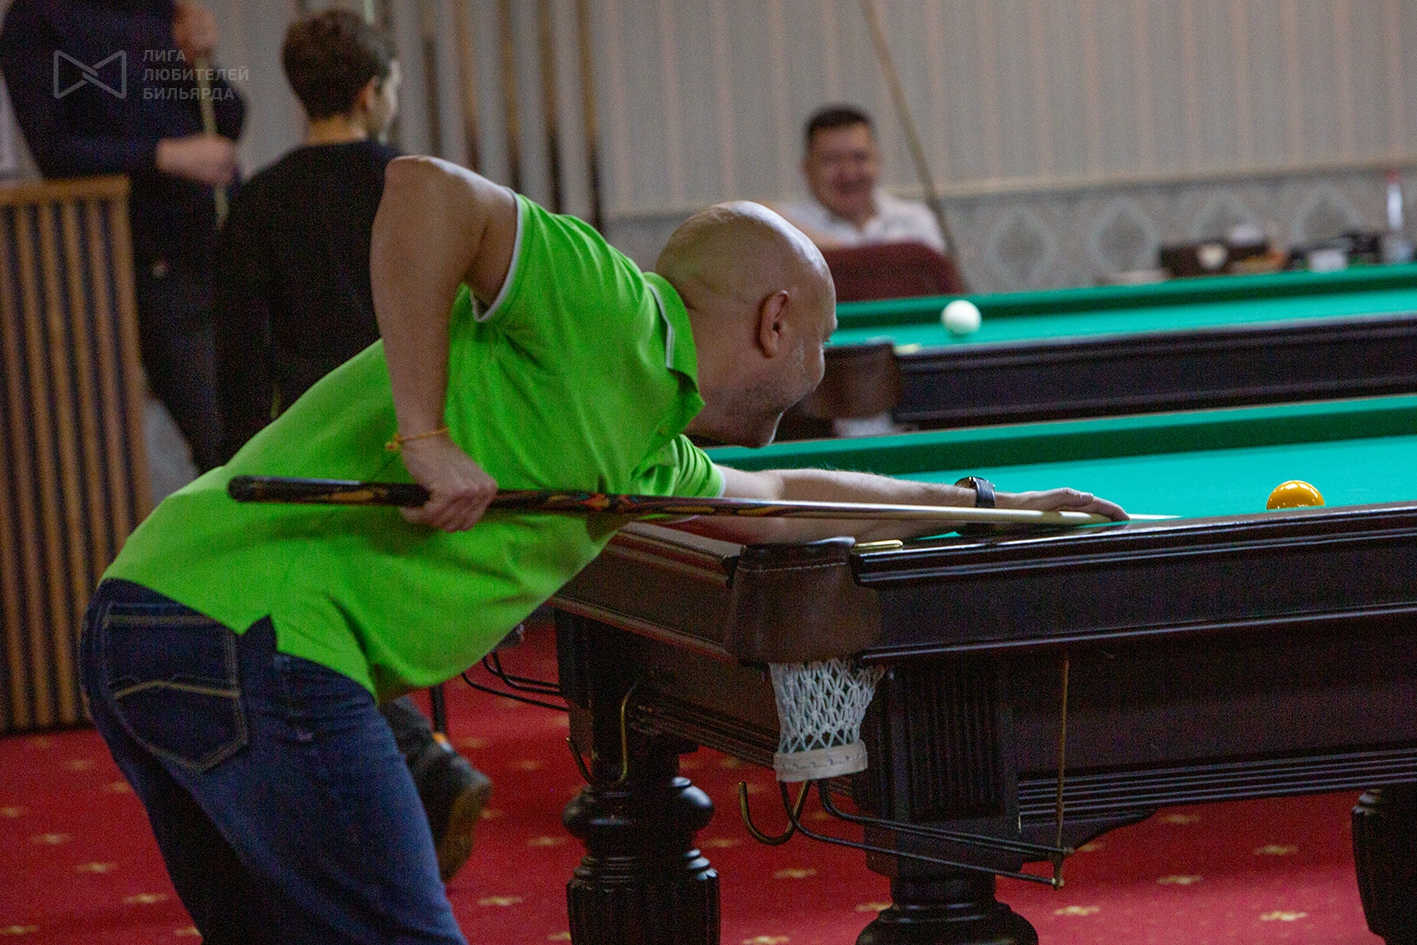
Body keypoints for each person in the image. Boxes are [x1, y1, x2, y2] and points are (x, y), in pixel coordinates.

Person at [79, 155, 1125, 943]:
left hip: (146, 616)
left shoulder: (646, 446)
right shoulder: (608, 302)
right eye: (820, 336)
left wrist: (980, 502)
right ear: (775, 322)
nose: (816, 364)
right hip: (258, 638)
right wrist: (425, 435)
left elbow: (778, 500)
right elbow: (423, 190)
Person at [210, 9, 491, 884]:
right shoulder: (419, 187)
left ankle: (405, 776)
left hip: (311, 447)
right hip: (415, 436)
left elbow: (240, 351)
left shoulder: (259, 199)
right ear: (372, 92)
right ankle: (418, 765)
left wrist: (239, 465)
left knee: (306, 622)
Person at [0, 0, 244, 473]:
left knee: (268, 421)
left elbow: (230, 118)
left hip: (222, 238)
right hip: (150, 256)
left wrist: (202, 60)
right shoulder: (35, 19)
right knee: (222, 442)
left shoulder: (157, 8)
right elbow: (56, 153)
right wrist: (164, 156)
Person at [775, 103, 945, 253]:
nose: (849, 174)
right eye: (832, 160)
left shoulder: (916, 223)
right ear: (807, 168)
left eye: (860, 157)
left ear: (877, 160)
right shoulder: (783, 228)